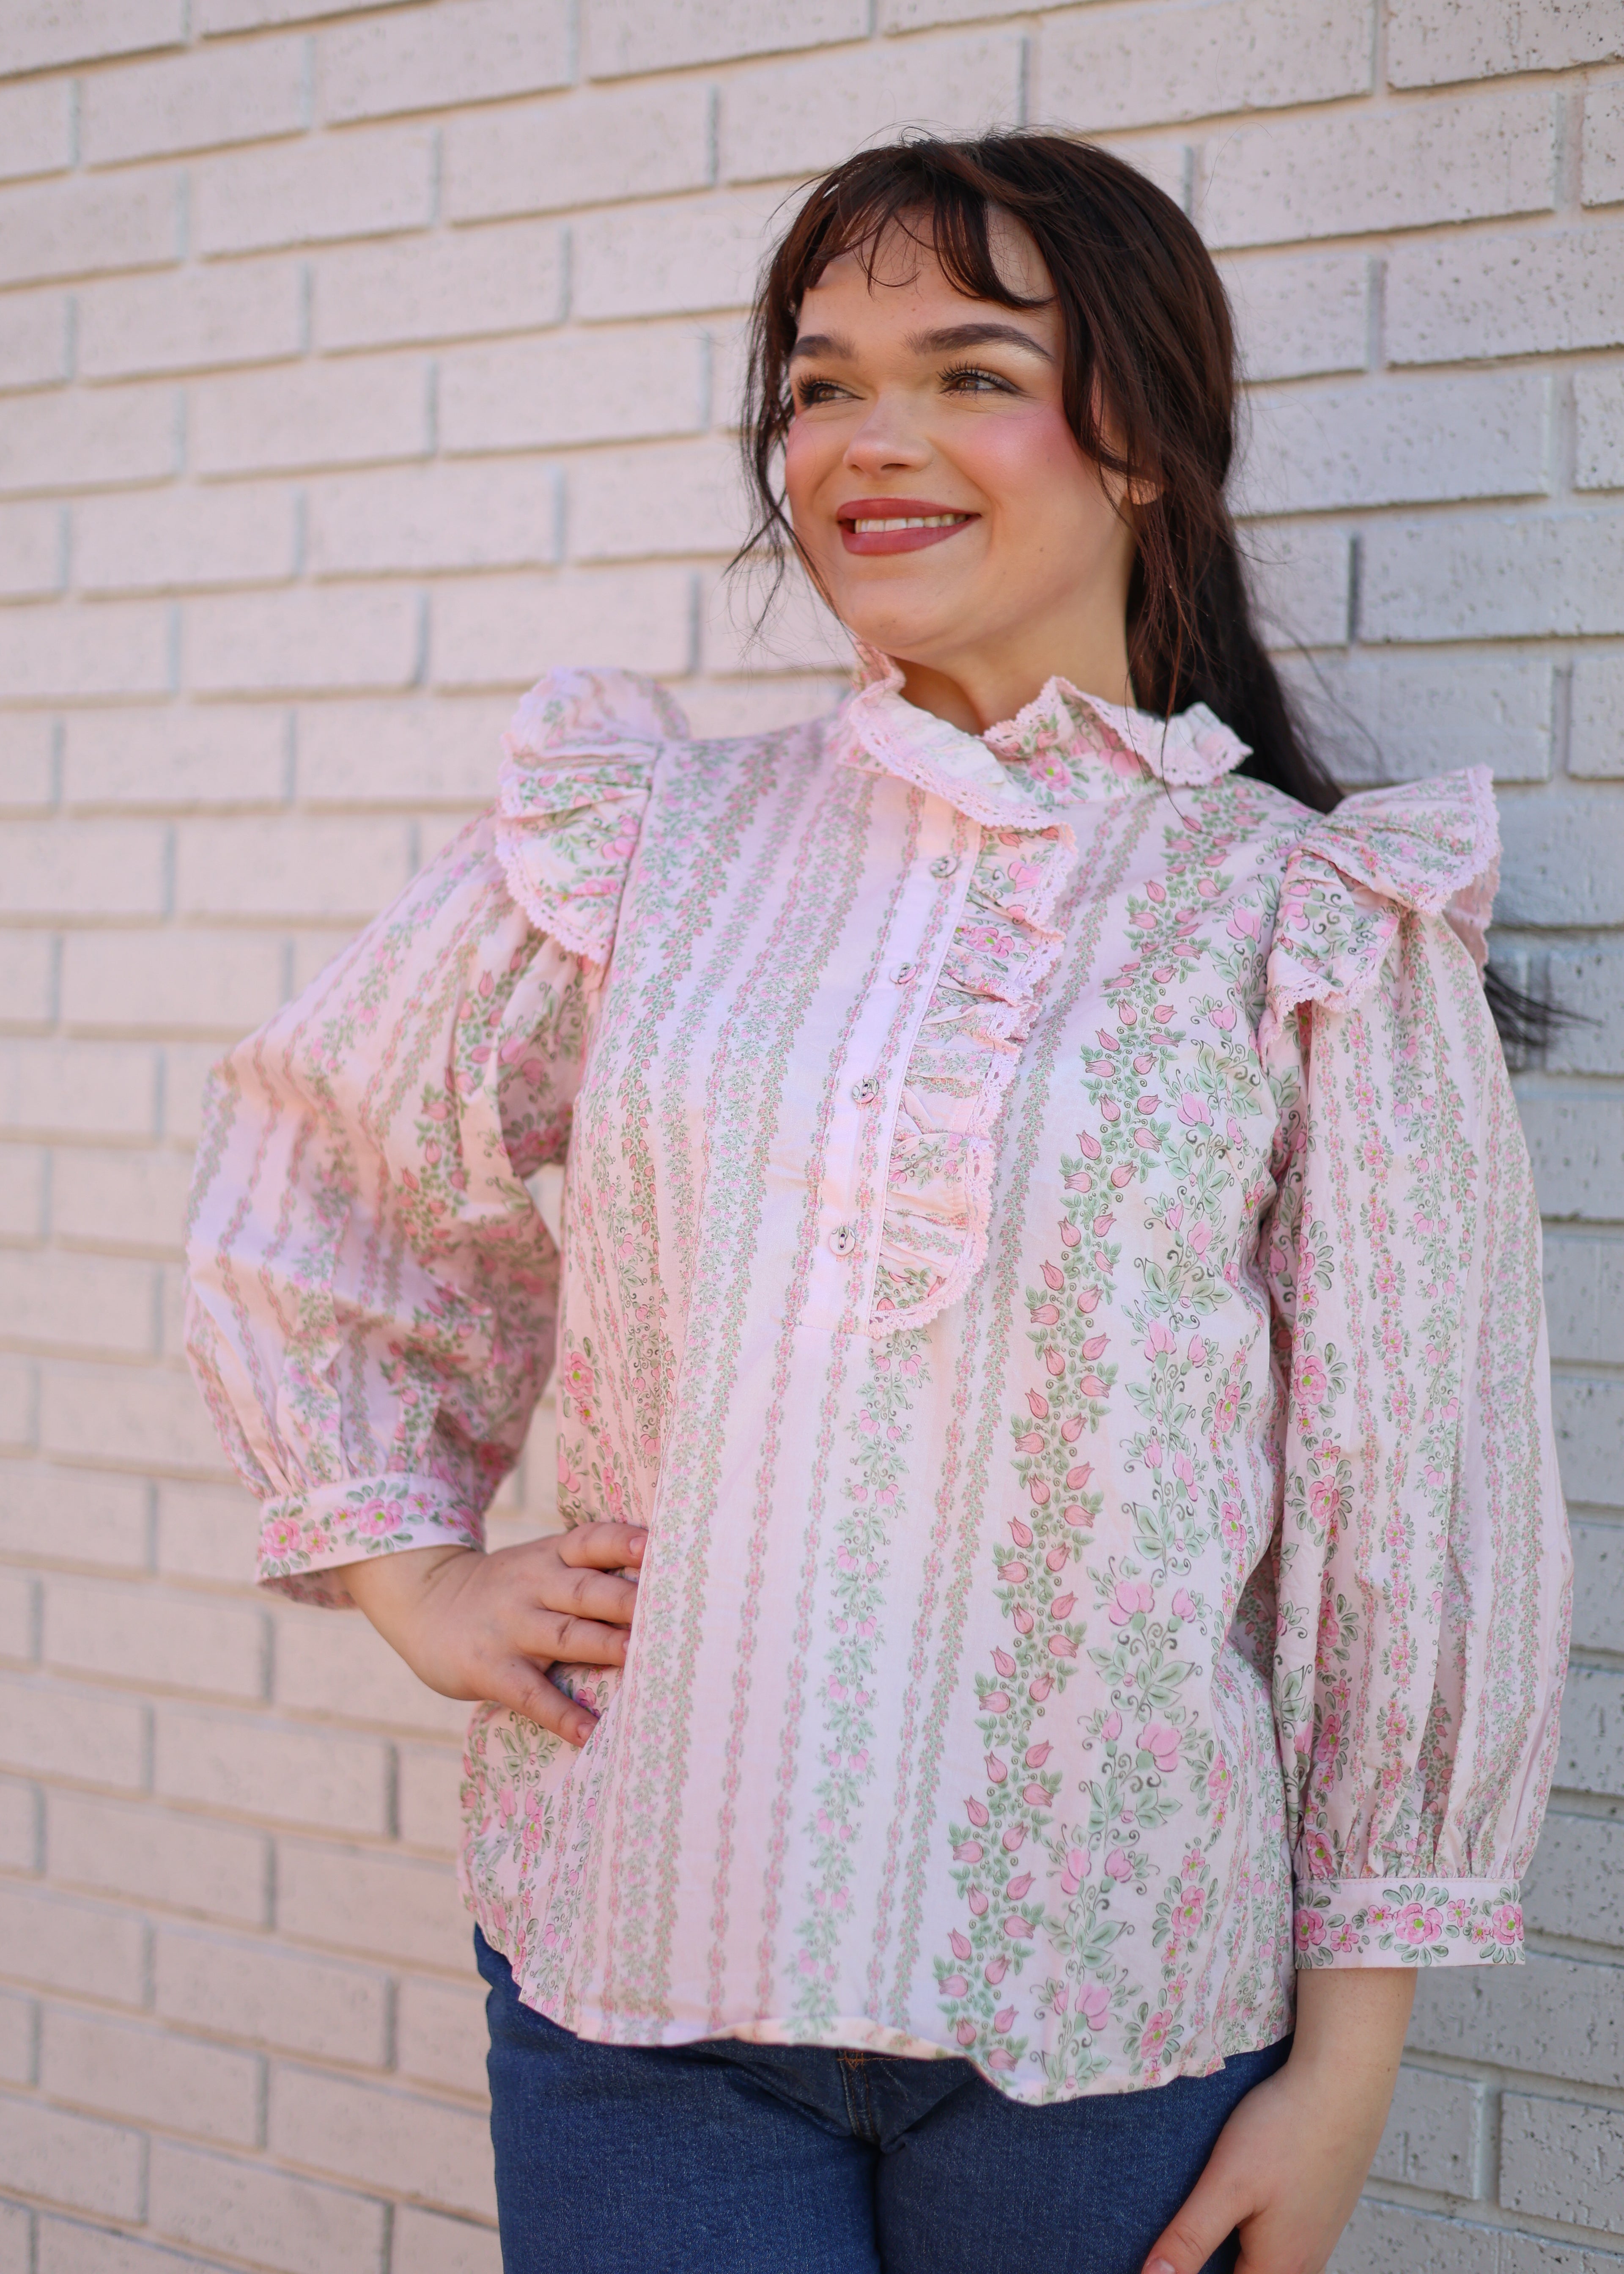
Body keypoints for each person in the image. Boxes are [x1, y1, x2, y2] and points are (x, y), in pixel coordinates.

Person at [184, 134, 1571, 2274]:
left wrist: (1347, 2063)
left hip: (1105, 2023)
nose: (867, 443)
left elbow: (1412, 1499)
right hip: (642, 1978)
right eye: (822, 384)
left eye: (966, 369)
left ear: (1142, 443)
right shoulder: (649, 841)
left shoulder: (1308, 919)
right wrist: (416, 1580)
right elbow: (328, 1172)